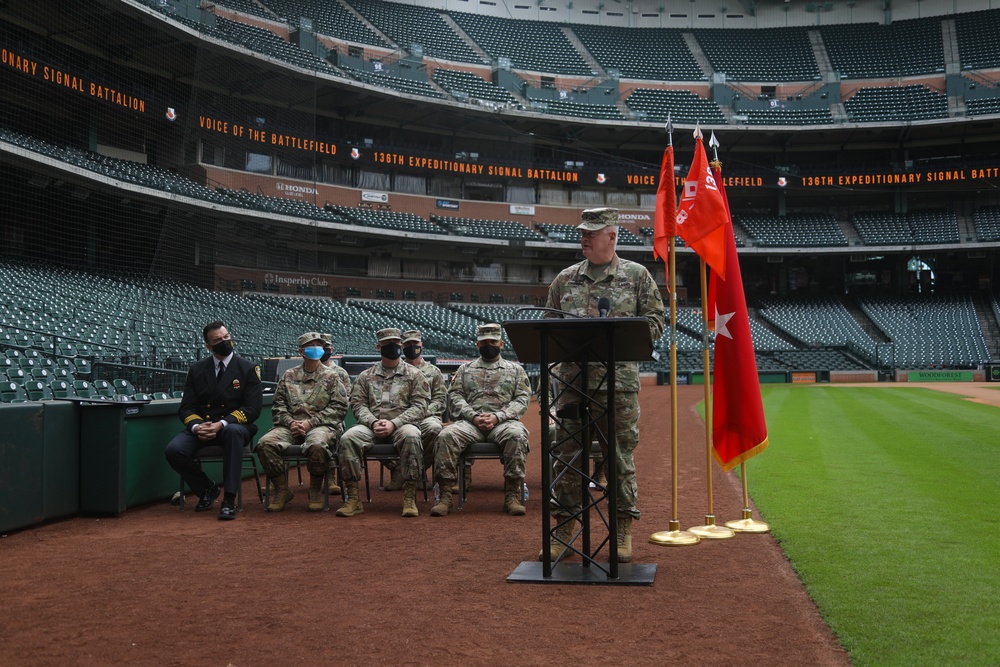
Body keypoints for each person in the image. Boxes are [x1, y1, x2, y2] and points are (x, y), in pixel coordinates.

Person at [542, 207, 665, 562]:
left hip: (618, 386)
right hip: (571, 385)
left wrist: (622, 333)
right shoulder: (564, 280)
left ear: (612, 236)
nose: (584, 237)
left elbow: (655, 322)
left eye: (592, 232)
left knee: (618, 458)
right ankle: (563, 530)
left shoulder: (637, 276)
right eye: (582, 231)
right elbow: (549, 324)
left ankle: (622, 529)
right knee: (567, 458)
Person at [430, 323, 532, 517]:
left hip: (503, 422)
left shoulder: (515, 370)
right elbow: (455, 396)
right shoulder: (465, 369)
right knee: (445, 435)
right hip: (470, 423)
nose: (488, 345)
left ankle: (511, 495)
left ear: (501, 344)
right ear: (477, 345)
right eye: (484, 342)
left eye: (493, 342)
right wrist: (474, 417)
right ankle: (445, 497)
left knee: (518, 435)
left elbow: (522, 399)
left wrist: (497, 416)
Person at [165, 320, 262, 521]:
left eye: (226, 337)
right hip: (204, 427)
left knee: (233, 432)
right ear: (208, 346)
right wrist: (196, 426)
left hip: (235, 427)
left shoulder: (248, 368)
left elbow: (252, 408)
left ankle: (229, 499)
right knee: (174, 450)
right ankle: (207, 489)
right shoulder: (197, 369)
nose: (225, 341)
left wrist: (222, 423)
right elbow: (187, 407)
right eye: (218, 340)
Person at [336, 327, 430, 518]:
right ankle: (353, 498)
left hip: (403, 425)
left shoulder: (414, 374)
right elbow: (358, 404)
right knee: (348, 438)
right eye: (388, 344)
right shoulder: (365, 376)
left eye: (396, 343)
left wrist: (394, 423)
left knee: (412, 436)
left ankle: (410, 498)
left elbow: (420, 406)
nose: (394, 347)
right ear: (379, 347)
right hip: (372, 425)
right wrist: (372, 422)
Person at [255, 332, 349, 512]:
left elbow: (339, 408)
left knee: (317, 445)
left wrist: (310, 423)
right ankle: (282, 490)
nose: (316, 348)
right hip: (290, 426)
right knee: (265, 444)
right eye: (311, 345)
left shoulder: (332, 376)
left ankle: (314, 489)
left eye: (319, 345)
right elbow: (278, 405)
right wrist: (291, 423)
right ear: (301, 352)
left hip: (321, 426)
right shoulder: (289, 375)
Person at [385, 330, 446, 491]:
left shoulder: (434, 371)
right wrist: (402, 416)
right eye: (407, 344)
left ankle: (417, 471)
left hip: (426, 416)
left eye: (415, 344)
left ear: (421, 345)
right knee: (380, 428)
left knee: (434, 429)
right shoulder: (392, 369)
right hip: (398, 417)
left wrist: (420, 412)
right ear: (401, 346)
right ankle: (398, 469)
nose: (412, 347)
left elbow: (440, 400)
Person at [321, 332, 353, 495]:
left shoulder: (340, 373)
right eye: (319, 347)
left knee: (332, 434)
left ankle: (330, 476)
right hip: (305, 419)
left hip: (334, 419)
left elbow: (346, 400)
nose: (323, 350)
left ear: (331, 349)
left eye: (326, 347)